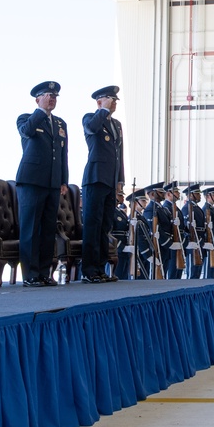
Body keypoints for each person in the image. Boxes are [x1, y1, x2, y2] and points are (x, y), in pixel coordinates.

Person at [15, 81, 69, 288]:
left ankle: (45, 272)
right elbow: (26, 132)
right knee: (30, 229)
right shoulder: (27, 118)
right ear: (37, 99)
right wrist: (41, 111)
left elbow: (63, 154)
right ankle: (30, 274)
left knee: (48, 229)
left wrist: (63, 179)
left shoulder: (60, 124)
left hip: (53, 182)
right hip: (31, 180)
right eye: (47, 95)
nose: (52, 98)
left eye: (54, 96)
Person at [81, 85, 124, 284]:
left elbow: (118, 155)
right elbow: (92, 129)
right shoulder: (91, 117)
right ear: (99, 101)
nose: (114, 103)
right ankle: (90, 270)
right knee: (93, 224)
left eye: (115, 100)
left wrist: (119, 182)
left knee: (105, 225)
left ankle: (100, 268)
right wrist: (103, 110)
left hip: (110, 181)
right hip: (95, 178)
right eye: (110, 99)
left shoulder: (116, 124)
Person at [180, 184, 206, 279]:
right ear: (191, 195)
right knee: (192, 273)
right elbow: (186, 228)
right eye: (197, 194)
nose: (199, 196)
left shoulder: (196, 207)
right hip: (192, 242)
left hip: (199, 241)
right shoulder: (187, 208)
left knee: (197, 271)